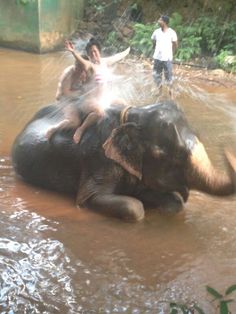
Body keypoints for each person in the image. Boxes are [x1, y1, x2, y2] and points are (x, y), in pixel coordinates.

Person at [47, 38, 130, 144]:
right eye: (91, 53)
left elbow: (116, 57)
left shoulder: (104, 62)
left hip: (104, 98)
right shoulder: (90, 66)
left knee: (123, 103)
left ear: (99, 52)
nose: (94, 54)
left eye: (95, 51)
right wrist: (73, 52)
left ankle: (126, 127)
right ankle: (81, 129)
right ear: (89, 56)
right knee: (99, 112)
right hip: (90, 100)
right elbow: (82, 61)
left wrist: (127, 50)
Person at [151, 15, 178, 97]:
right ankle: (159, 92)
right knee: (157, 75)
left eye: (160, 20)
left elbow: (175, 44)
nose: (158, 21)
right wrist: (155, 48)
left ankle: (171, 94)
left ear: (165, 22)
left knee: (168, 77)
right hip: (157, 58)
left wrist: (171, 52)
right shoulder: (156, 32)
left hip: (167, 58)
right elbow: (153, 41)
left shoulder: (172, 32)